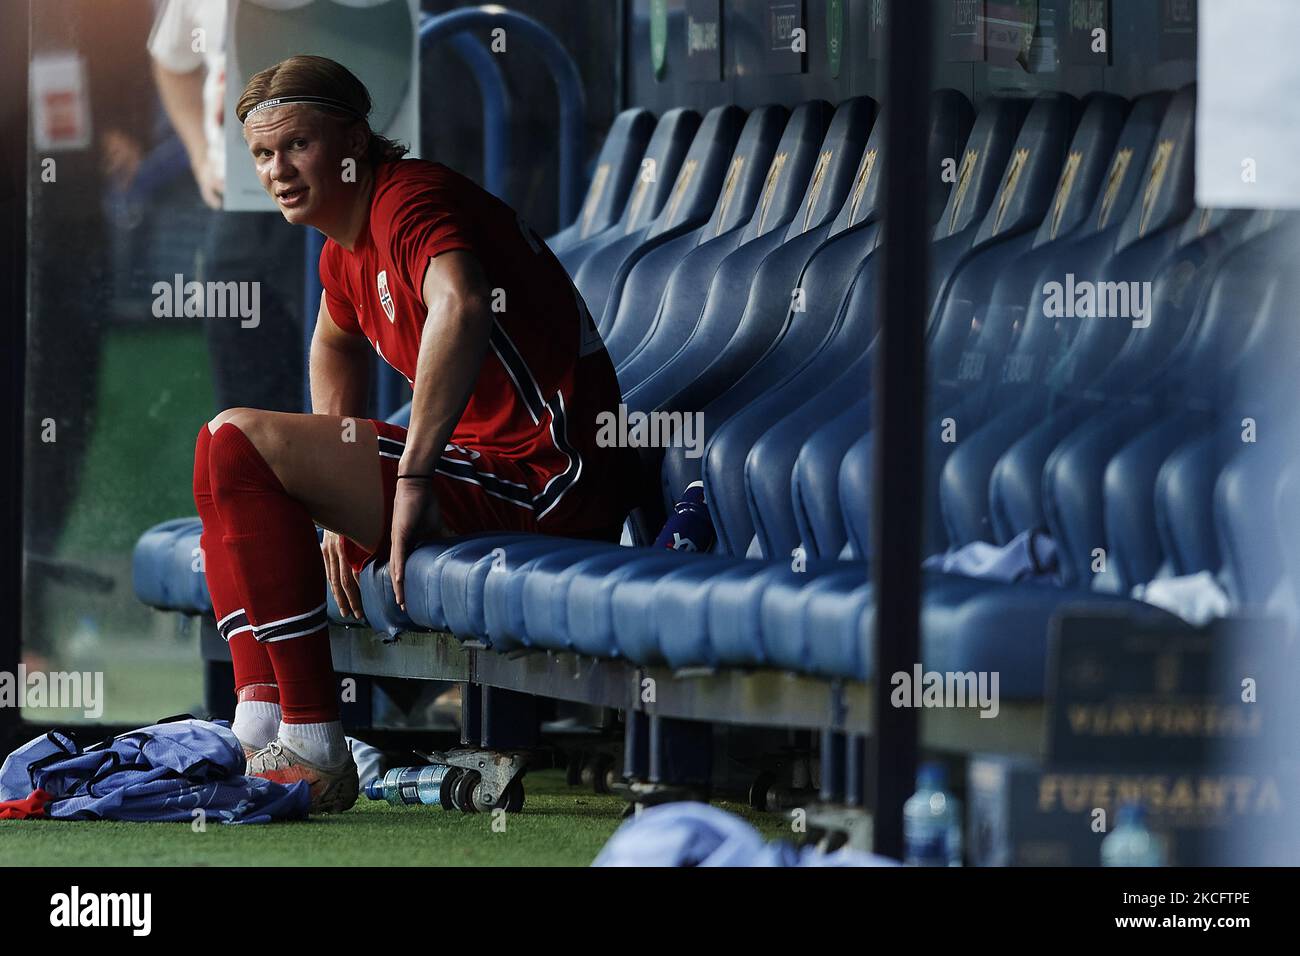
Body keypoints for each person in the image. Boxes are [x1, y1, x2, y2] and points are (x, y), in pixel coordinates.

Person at [191, 54, 638, 812]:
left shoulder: (410, 198)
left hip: (551, 478)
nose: (278, 169)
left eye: (297, 145)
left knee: (238, 442)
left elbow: (462, 302)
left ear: (354, 141)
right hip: (489, 469)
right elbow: (332, 340)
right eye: (263, 154)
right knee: (217, 443)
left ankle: (313, 743)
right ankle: (259, 722)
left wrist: (413, 477)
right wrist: (333, 499)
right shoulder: (343, 245)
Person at [149, 0, 305, 414]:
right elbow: (171, 59)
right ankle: (251, 474)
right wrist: (200, 154)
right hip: (239, 202)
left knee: (340, 372)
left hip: (338, 200)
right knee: (244, 387)